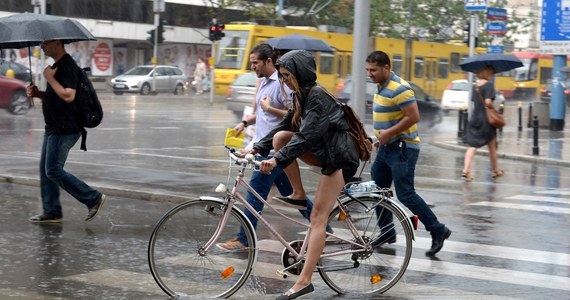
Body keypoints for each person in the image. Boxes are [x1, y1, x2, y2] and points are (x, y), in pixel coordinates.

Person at [252, 50, 359, 300]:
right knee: (280, 138)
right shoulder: (301, 95)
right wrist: (257, 147)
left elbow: (306, 136)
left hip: (340, 158)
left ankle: (304, 282)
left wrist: (276, 159)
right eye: (281, 76)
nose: (284, 81)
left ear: (300, 73)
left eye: (287, 75)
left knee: (318, 217)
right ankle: (298, 193)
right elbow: (285, 127)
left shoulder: (318, 97)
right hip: (325, 151)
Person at [216, 44, 327, 251]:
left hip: (277, 152)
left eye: (255, 62)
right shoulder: (265, 83)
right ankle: (324, 227)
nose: (252, 67)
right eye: (251, 63)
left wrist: (268, 109)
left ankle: (244, 240)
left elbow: (291, 116)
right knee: (295, 194)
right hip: (265, 148)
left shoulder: (282, 84)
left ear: (269, 61)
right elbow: (265, 115)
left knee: (253, 196)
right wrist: (247, 123)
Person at [365, 50, 451, 257]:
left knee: (405, 194)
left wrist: (389, 133)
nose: (370, 74)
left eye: (373, 70)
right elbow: (390, 118)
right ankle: (387, 232)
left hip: (403, 148)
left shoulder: (400, 88)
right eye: (367, 70)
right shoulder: (381, 87)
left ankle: (438, 230)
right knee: (378, 191)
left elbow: (414, 116)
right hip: (386, 148)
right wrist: (381, 138)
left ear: (386, 67)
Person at [26, 39, 106, 224]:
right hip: (54, 127)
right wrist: (38, 94)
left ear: (58, 43)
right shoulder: (57, 66)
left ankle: (93, 198)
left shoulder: (67, 66)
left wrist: (50, 79)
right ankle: (52, 211)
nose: (42, 46)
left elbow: (69, 96)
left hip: (65, 128)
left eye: (46, 43)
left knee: (53, 170)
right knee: (46, 170)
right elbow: (57, 96)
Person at [462, 65, 504, 181]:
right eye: (491, 72)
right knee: (492, 146)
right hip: (486, 120)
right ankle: (495, 170)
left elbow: (473, 101)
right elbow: (488, 101)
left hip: (475, 118)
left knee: (473, 145)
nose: (492, 75)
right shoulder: (489, 85)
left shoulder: (475, 86)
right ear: (486, 73)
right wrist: (491, 106)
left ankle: (466, 170)